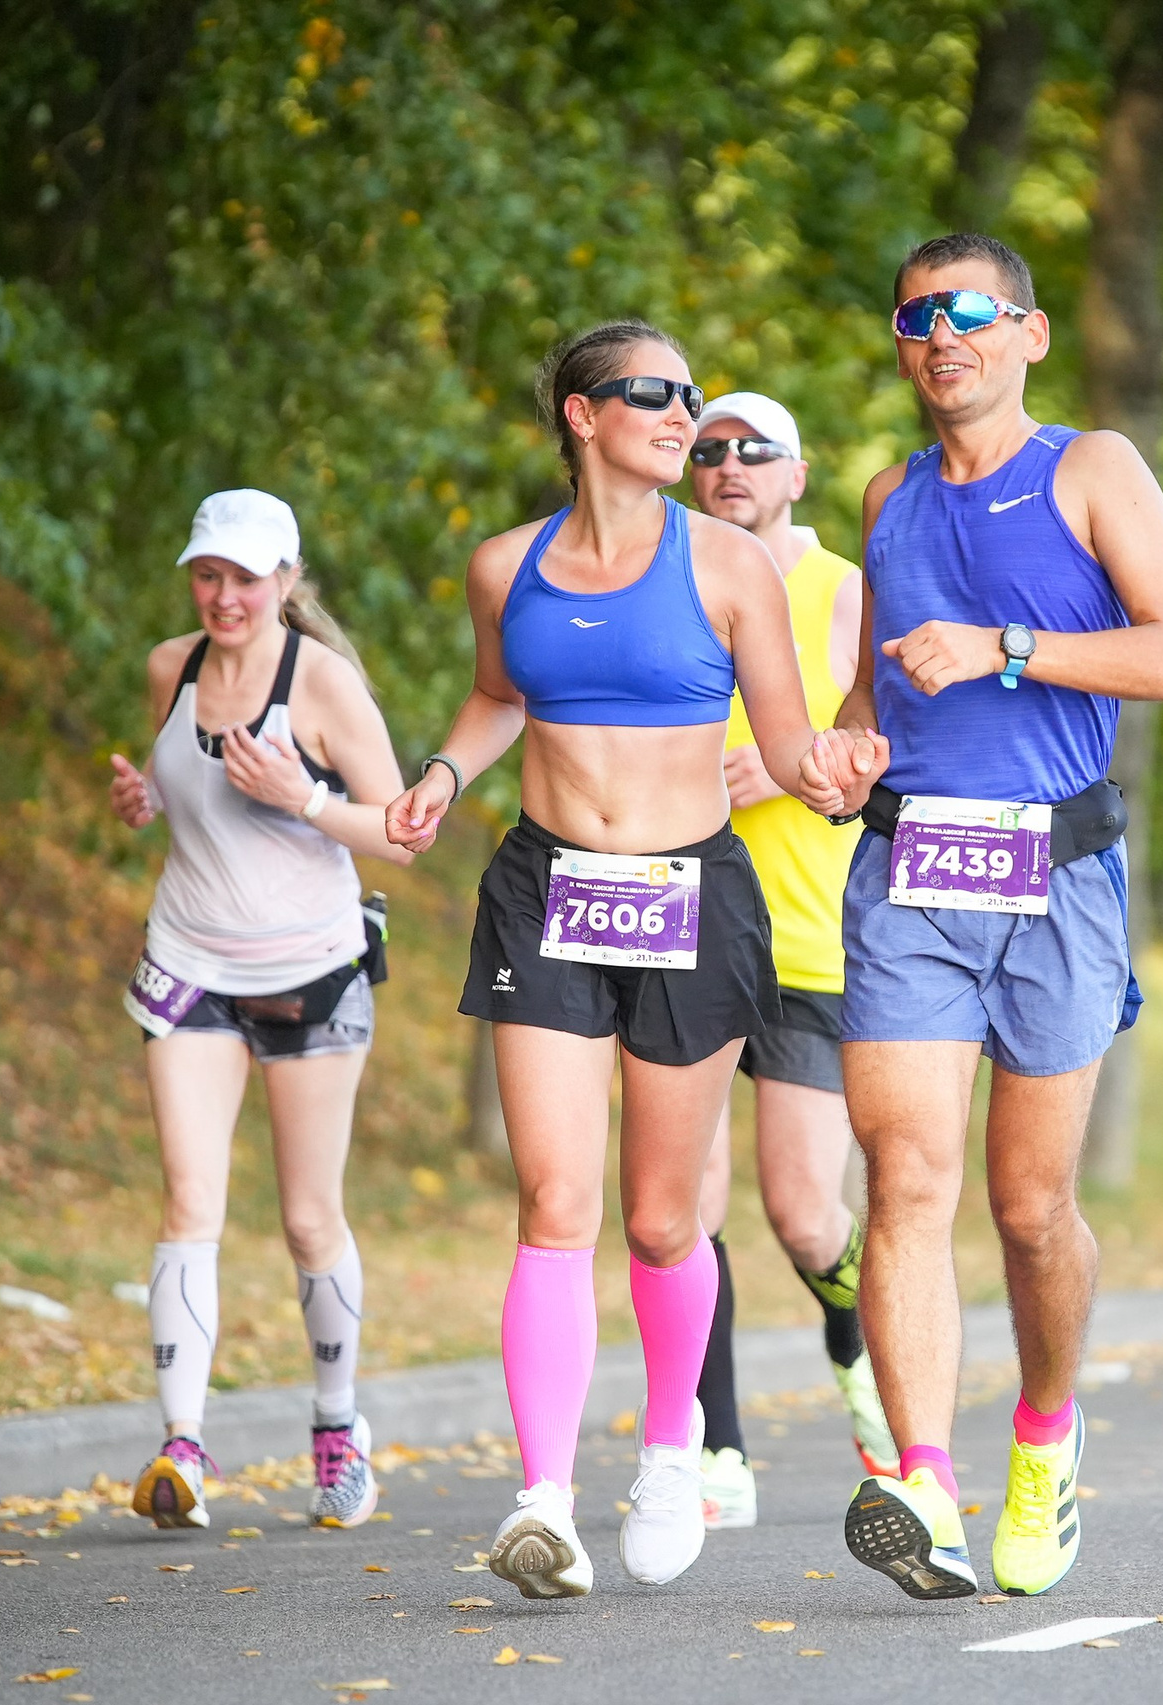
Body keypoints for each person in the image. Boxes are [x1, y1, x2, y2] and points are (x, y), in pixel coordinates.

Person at [381, 322, 879, 1599]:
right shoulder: (506, 566)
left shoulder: (728, 567)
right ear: (581, 416)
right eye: (653, 396)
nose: (682, 416)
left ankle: (672, 1451)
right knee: (554, 1204)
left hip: (687, 899)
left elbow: (786, 741)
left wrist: (836, 774)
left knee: (663, 1219)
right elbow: (500, 694)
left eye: (691, 396)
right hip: (546, 884)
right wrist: (442, 771)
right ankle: (541, 1499)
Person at [830, 234, 1163, 1600]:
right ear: (901, 343)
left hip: (1058, 878)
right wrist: (842, 747)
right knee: (908, 1178)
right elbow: (879, 693)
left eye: (973, 311)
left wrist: (1009, 649)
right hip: (912, 875)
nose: (946, 333)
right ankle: (924, 1480)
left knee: (1030, 1203)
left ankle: (1045, 1434)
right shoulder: (889, 496)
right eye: (920, 315)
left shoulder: (1092, 467)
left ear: (1030, 333)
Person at [107, 489, 416, 1534]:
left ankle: (337, 1433)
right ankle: (182, 1451)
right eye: (208, 574)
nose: (223, 596)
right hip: (190, 963)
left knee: (304, 1217)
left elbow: (404, 833)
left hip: (310, 973)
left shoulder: (321, 688)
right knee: (189, 1203)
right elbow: (177, 785)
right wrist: (144, 797)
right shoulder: (170, 668)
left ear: (286, 581)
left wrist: (305, 801)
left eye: (245, 578)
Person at [682, 391, 897, 1530]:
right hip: (686, 930)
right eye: (708, 450)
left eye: (753, 450)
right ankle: (716, 1445)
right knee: (686, 1201)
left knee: (808, 1211)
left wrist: (793, 761)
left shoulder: (847, 591)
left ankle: (866, 1365)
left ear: (797, 474)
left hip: (814, 939)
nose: (728, 466)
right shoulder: (671, 581)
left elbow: (898, 731)